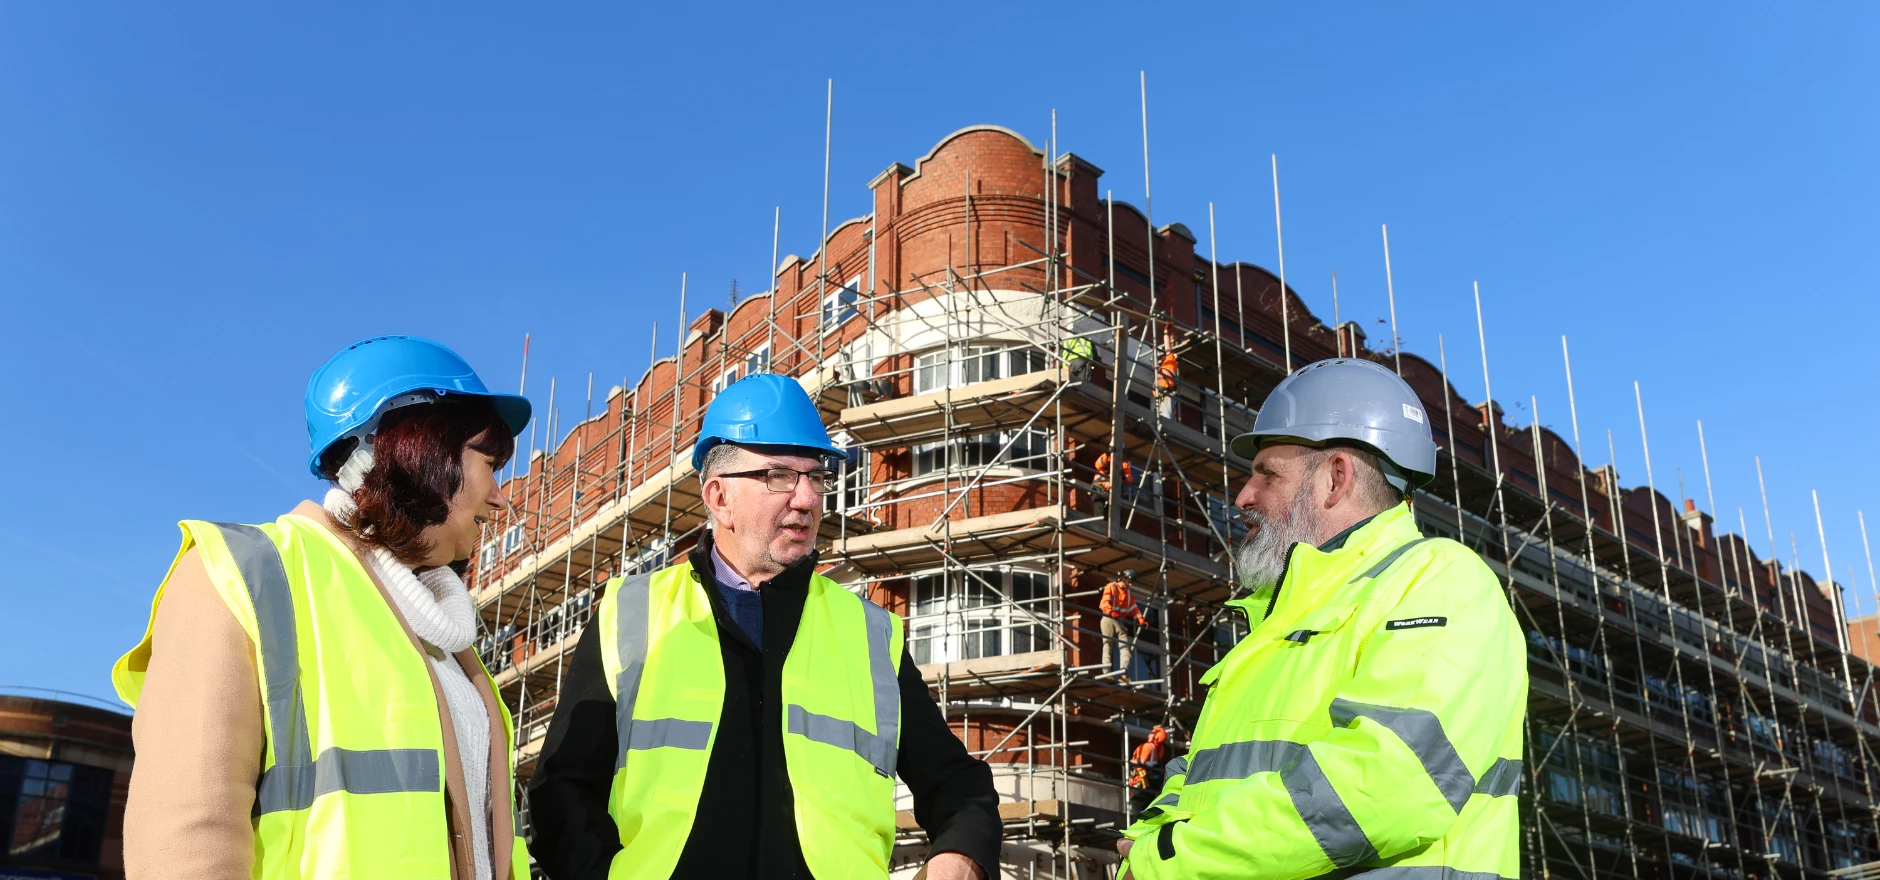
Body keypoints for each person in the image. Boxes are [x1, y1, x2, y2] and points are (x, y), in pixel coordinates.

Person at [527, 373, 1000, 879]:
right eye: (778, 476)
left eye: (816, 477)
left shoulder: (869, 635)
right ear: (719, 498)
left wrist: (961, 856)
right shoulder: (632, 613)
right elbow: (563, 790)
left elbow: (958, 786)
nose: (807, 498)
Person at [111, 335, 536, 880]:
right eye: (489, 462)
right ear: (420, 445)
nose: (502, 495)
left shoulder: (445, 637)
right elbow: (185, 840)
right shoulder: (251, 572)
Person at [1117, 358, 1526, 880]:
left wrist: (1170, 860)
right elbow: (1199, 784)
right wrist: (1147, 851)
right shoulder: (1276, 625)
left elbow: (1387, 785)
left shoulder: (1439, 581)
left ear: (1335, 478)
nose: (1244, 496)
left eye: (1267, 474)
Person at [1100, 569, 1147, 680]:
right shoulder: (1111, 587)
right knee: (1108, 645)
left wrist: (1141, 620)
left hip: (1119, 620)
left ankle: (1123, 673)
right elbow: (1104, 602)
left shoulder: (1129, 594)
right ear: (1123, 578)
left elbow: (1134, 609)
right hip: (1109, 618)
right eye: (1129, 581)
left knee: (1125, 647)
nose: (1130, 584)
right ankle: (1107, 673)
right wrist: (1110, 611)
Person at [1128, 726, 1172, 817]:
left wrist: (1129, 761)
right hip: (1152, 784)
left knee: (1137, 805)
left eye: (1152, 733)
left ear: (1155, 736)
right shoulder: (1160, 749)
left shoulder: (1148, 746)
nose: (1149, 734)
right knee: (1149, 806)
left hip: (1141, 781)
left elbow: (1142, 762)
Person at [1092, 449, 1135, 518]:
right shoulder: (1106, 458)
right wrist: (1107, 454)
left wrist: (1124, 477)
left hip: (1113, 490)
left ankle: (1115, 524)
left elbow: (1130, 479)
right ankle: (1099, 521)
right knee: (1098, 506)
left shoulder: (1124, 465)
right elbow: (1098, 465)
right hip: (1100, 486)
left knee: (1114, 512)